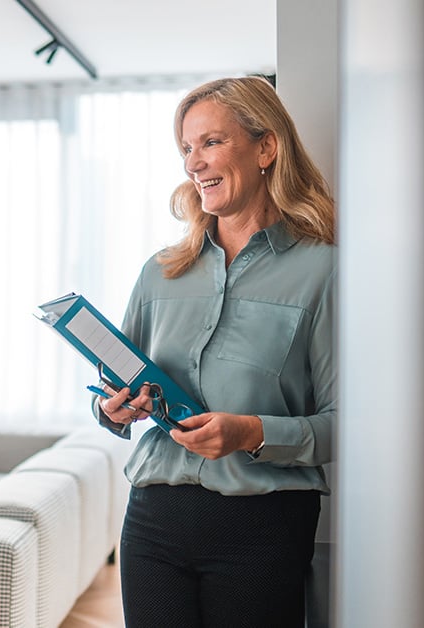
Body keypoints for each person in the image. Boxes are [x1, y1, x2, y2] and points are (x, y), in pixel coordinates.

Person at [94, 76, 335, 628]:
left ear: (266, 148)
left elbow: (350, 426)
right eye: (186, 148)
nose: (194, 163)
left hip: (264, 526)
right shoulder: (161, 271)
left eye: (211, 143)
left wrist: (251, 432)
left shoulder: (324, 270)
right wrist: (113, 410)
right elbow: (115, 389)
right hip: (153, 519)